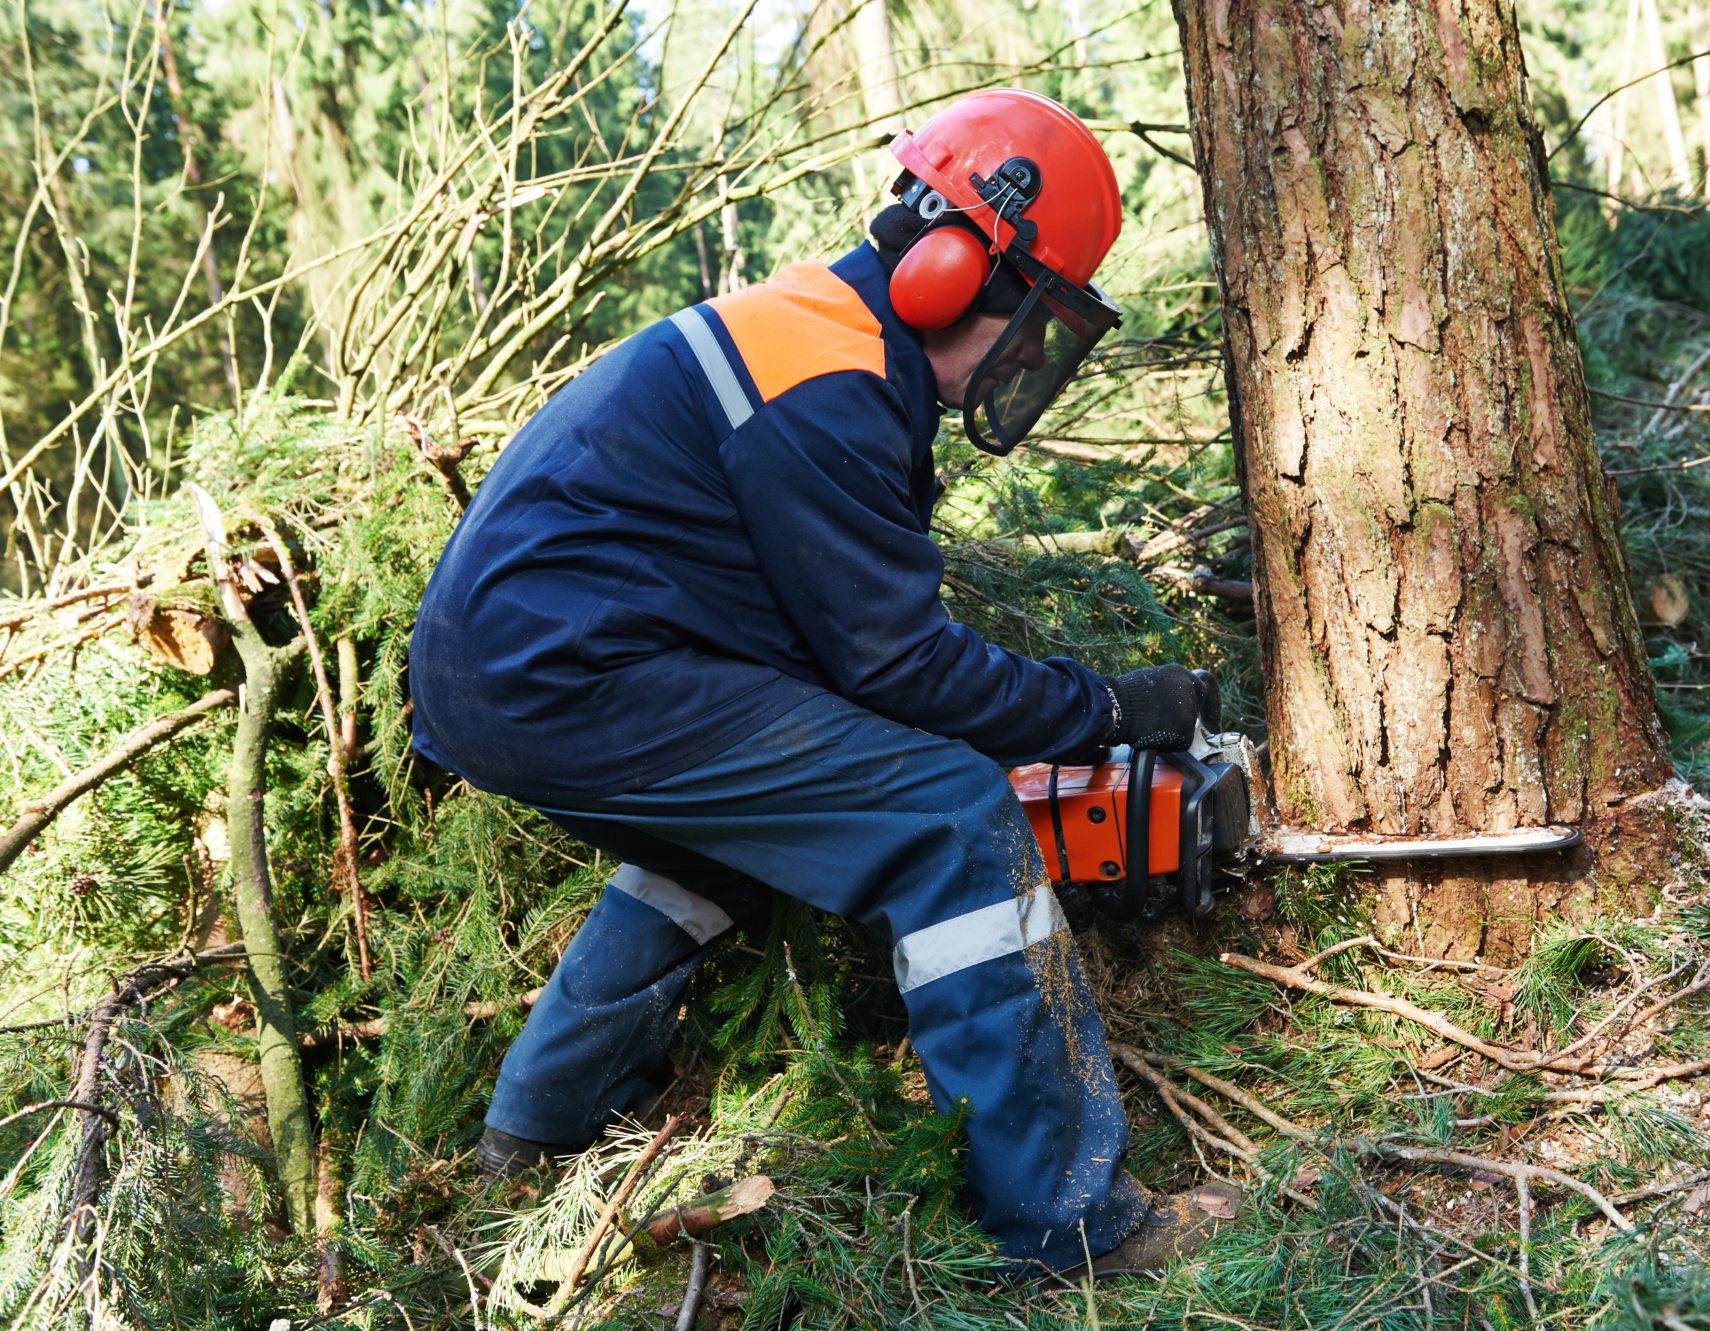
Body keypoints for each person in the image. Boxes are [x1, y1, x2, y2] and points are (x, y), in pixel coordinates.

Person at [407, 87, 1232, 1278]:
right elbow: (900, 663)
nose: (1024, 356)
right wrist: (1101, 710)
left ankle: (533, 1129)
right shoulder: (823, 377)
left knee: (718, 846)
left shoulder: (813, 335)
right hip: (572, 673)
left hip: (510, 674)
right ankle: (1065, 1226)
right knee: (946, 819)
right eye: (1031, 320)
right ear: (953, 271)